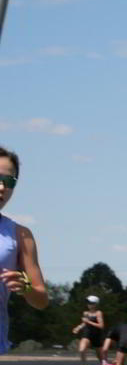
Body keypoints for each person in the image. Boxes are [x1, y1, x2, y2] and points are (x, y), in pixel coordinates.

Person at [0, 146, 50, 352]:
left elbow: (41, 300)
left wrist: (26, 287)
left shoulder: (21, 235)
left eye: (9, 181)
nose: (2, 187)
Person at [72, 295, 106, 365]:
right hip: (87, 334)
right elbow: (84, 323)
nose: (89, 304)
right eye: (88, 303)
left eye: (91, 303)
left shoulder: (98, 313)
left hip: (96, 336)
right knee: (82, 349)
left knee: (100, 357)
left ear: (95, 304)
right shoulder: (85, 313)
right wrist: (78, 327)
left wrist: (89, 322)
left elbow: (101, 326)